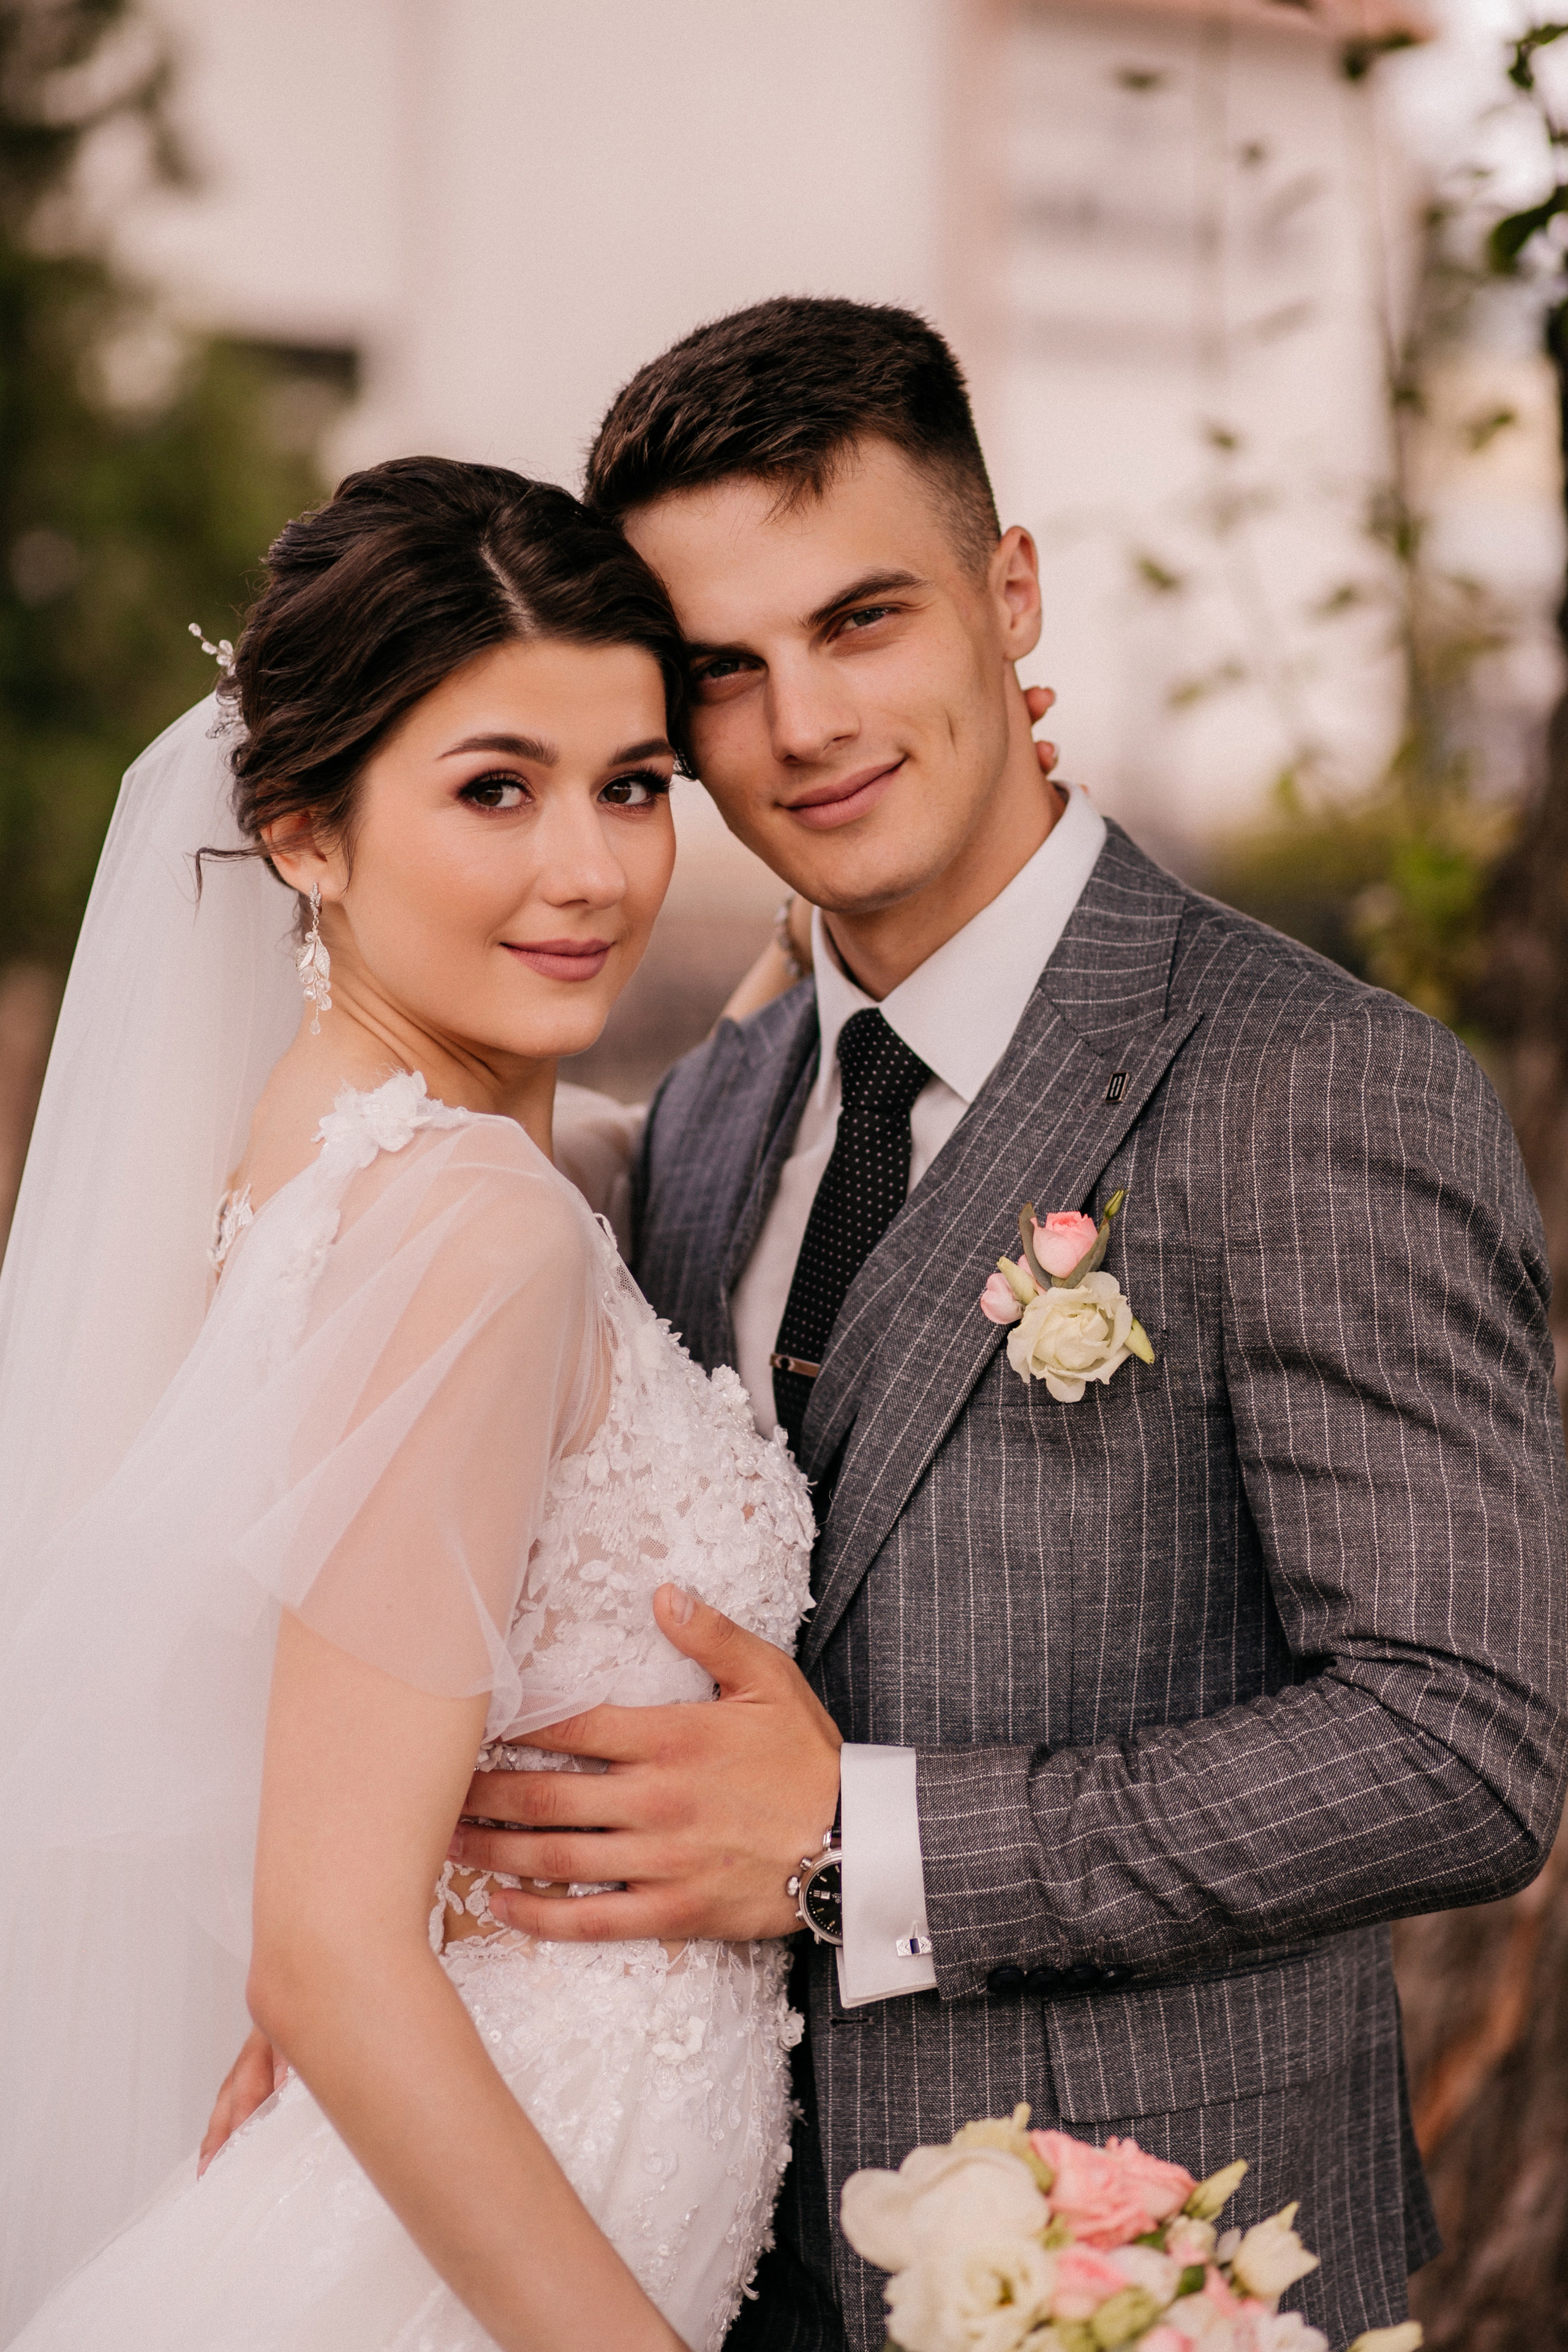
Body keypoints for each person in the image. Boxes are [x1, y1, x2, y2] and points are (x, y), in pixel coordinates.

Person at [271, 300, 1558, 2350]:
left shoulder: (1311, 1084)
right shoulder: (713, 1106)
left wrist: (864, 1840)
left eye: (863, 619)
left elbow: (1462, 1743)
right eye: (726, 672)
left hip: (1136, 2273)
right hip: (686, 2260)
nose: (804, 724)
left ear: (1009, 592)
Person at [0, 458, 827, 2352]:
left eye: (634, 786)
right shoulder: (469, 1231)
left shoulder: (328, 1156)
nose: (593, 872)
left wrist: (838, 936)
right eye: (495, 791)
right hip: (482, 2252)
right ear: (302, 831)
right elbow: (331, 1945)